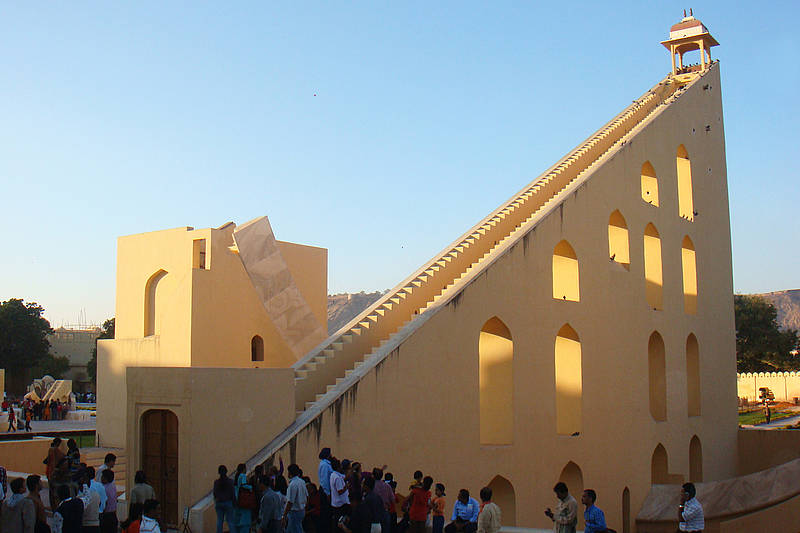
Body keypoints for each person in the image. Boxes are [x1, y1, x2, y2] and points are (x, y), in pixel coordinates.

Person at [282, 464, 308, 533]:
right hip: (301, 509)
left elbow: (290, 502)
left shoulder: (293, 484)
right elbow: (307, 496)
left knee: (295, 529)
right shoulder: (302, 482)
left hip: (294, 512)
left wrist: (284, 515)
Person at [213, 465, 235, 533]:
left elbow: (215, 493)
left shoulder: (216, 482)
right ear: (226, 471)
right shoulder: (230, 481)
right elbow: (232, 493)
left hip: (219, 502)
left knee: (219, 521)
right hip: (228, 502)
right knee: (230, 521)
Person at [233, 464, 253, 533]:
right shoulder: (243, 475)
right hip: (243, 497)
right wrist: (251, 488)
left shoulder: (237, 476)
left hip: (237, 497)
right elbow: (244, 485)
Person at [329, 458, 350, 526]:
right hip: (340, 504)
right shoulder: (337, 477)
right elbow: (340, 491)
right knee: (340, 522)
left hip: (336, 503)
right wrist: (346, 487)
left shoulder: (333, 475)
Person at [100, 469, 118, 533]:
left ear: (105, 478)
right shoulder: (113, 486)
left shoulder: (103, 488)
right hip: (113, 514)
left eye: (102, 476)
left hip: (106, 515)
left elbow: (105, 502)